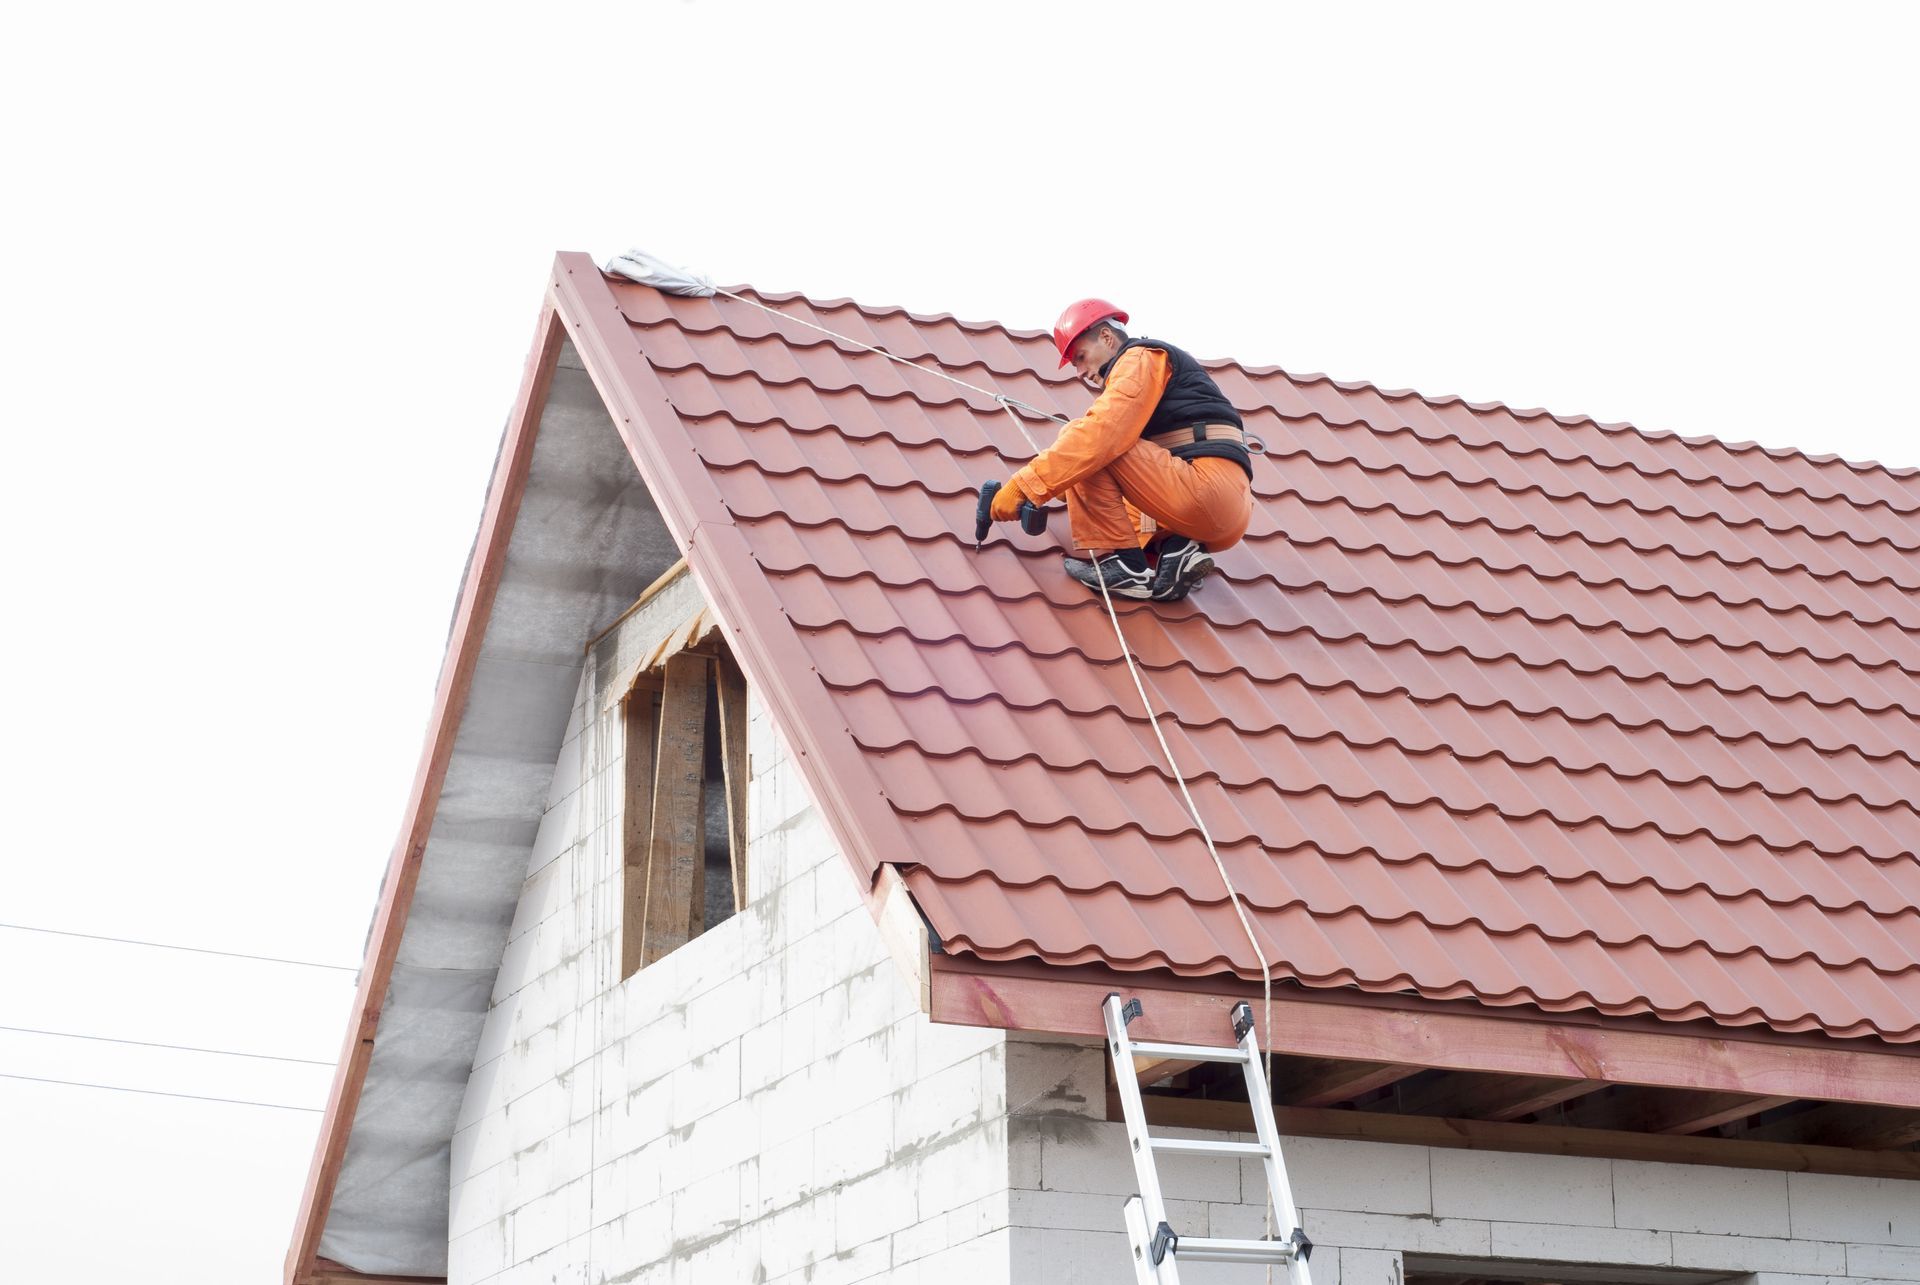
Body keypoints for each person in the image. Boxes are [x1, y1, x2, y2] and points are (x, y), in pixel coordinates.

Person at [986, 299, 1254, 601]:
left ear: (1106, 337)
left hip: (1202, 491)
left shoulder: (1139, 357)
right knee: (1086, 453)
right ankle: (1176, 552)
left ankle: (1127, 566)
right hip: (1225, 510)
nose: (1080, 372)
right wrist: (1057, 489)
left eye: (1081, 357)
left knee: (1083, 437)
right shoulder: (1152, 377)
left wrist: (1025, 486)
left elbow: (1102, 436)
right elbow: (1116, 472)